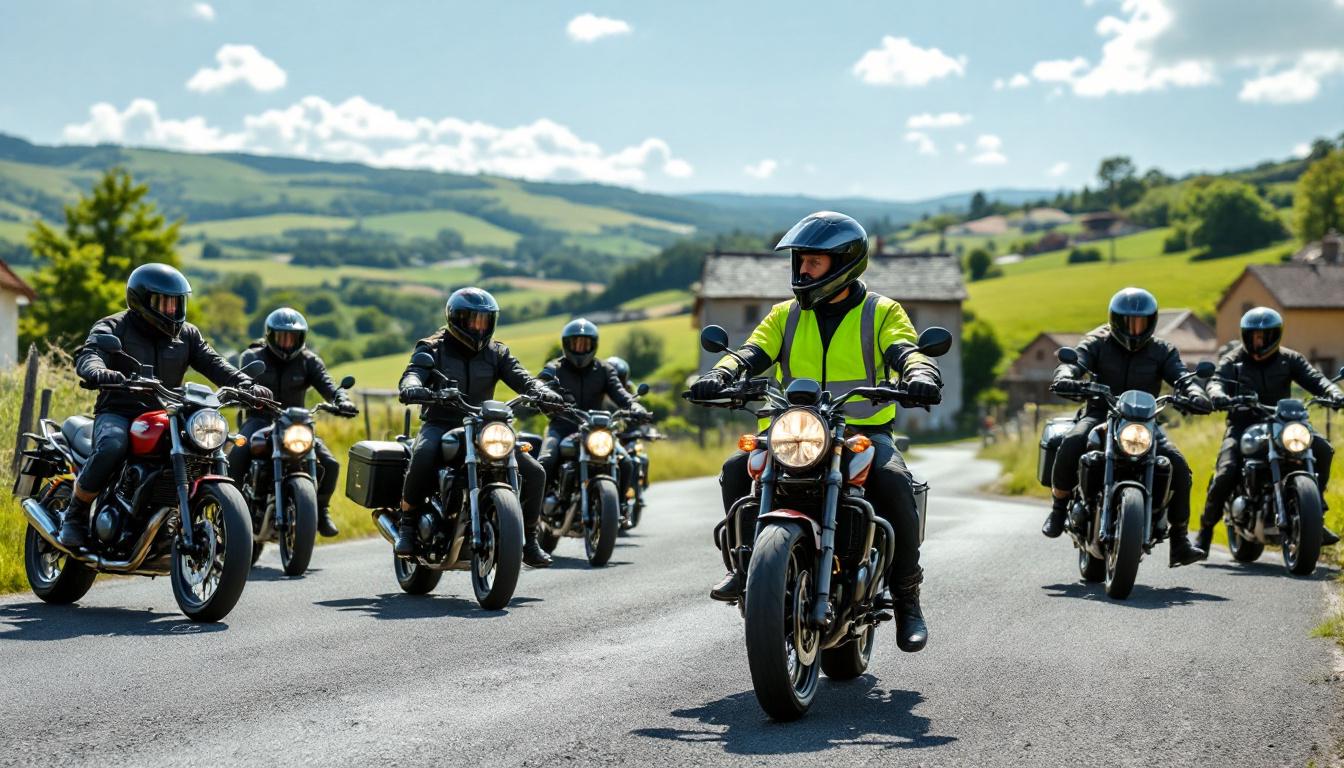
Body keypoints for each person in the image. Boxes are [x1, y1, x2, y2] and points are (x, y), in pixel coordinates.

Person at [687, 211, 941, 653]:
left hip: (860, 432)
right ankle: (747, 566)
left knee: (895, 482)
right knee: (735, 469)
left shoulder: (881, 312)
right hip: (792, 433)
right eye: (800, 260)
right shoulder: (784, 315)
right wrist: (720, 374)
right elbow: (749, 353)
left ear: (844, 262)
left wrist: (920, 373)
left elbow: (907, 350)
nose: (802, 270)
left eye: (813, 262)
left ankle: (906, 598)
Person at [64, 263, 272, 548]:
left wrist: (245, 385)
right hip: (120, 412)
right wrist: (98, 371)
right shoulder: (114, 326)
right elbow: (90, 354)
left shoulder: (187, 335)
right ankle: (75, 515)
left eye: (177, 302)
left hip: (169, 413)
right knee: (113, 445)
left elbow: (215, 363)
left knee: (205, 449)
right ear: (141, 300)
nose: (172, 309)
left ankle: (174, 519)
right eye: (164, 302)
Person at [397, 287, 565, 567]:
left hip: (485, 426)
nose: (479, 327)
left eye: (485, 321)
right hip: (441, 422)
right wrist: (413, 387)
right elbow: (414, 373)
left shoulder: (497, 352)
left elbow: (523, 378)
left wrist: (542, 391)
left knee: (534, 472)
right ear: (456, 319)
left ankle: (530, 539)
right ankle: (408, 525)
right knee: (424, 454)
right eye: (473, 320)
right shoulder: (433, 347)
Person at [1044, 287, 1212, 567]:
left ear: (1151, 322)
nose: (1135, 329)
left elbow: (1182, 377)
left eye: (1141, 322)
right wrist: (1066, 375)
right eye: (1128, 322)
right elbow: (1076, 362)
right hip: (1101, 414)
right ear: (1116, 321)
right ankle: (1059, 508)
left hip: (1144, 423)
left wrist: (1196, 393)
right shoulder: (1097, 342)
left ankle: (1180, 540)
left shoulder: (1162, 351)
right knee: (1073, 441)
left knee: (1179, 466)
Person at [1196, 307, 1344, 553]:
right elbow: (1216, 381)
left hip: (1284, 423)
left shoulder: (1289, 359)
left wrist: (1334, 393)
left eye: (1264, 336)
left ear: (1276, 336)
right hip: (1244, 425)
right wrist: (1218, 395)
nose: (1259, 341)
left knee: (1322, 449)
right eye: (1254, 336)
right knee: (1227, 471)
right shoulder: (1233, 360)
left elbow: (1315, 379)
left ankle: (1315, 513)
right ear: (1245, 336)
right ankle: (1205, 531)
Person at [227, 307, 358, 538]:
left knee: (330, 463)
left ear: (301, 338)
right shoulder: (253, 357)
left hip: (295, 423)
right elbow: (242, 382)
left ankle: (321, 510)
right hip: (260, 420)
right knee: (237, 455)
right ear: (270, 336)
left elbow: (329, 386)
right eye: (282, 337)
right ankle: (229, 512)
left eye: (292, 337)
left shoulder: (308, 361)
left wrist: (342, 400)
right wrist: (243, 394)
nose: (287, 342)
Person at [537, 320, 643, 502]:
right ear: (566, 344)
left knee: (626, 462)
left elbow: (619, 393)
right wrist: (543, 391)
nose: (580, 348)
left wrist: (634, 405)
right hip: (562, 426)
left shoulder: (604, 370)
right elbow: (540, 382)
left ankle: (620, 505)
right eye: (575, 343)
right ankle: (537, 512)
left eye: (585, 343)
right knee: (545, 460)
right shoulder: (554, 368)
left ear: (593, 345)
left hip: (596, 428)